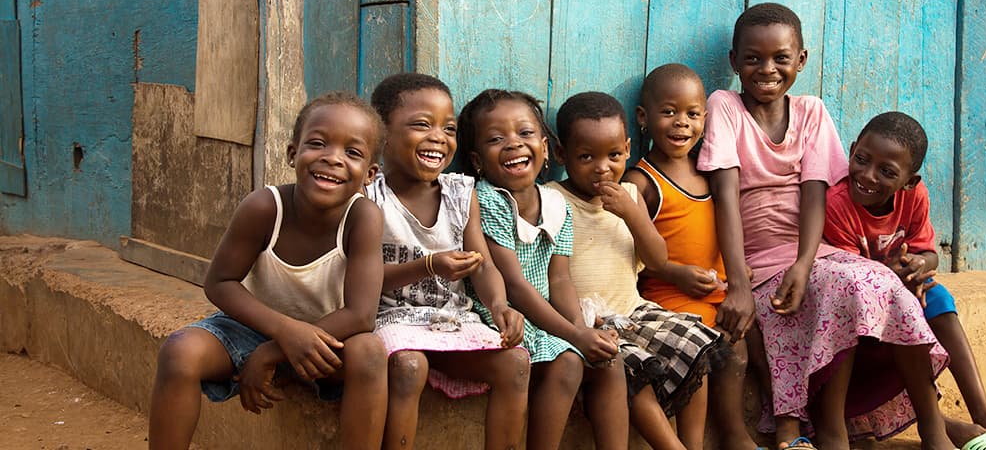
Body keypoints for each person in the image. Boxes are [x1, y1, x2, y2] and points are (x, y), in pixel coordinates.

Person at [701, 3, 953, 450]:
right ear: (733, 61)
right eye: (753, 58)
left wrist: (803, 263)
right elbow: (725, 196)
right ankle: (831, 427)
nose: (767, 69)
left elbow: (814, 193)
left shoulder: (812, 111)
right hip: (758, 263)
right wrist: (738, 283)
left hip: (817, 253)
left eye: (781, 57)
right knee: (850, 283)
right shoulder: (724, 106)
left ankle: (933, 428)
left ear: (801, 60)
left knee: (878, 281)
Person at [149, 92, 389, 450]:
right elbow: (219, 283)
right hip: (252, 328)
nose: (332, 158)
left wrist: (273, 352)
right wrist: (281, 333)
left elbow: (361, 315)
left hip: (328, 339)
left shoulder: (363, 217)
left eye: (352, 153)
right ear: (293, 153)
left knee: (369, 352)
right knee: (180, 351)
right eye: (318, 143)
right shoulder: (264, 207)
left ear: (370, 173)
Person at [823, 111, 986, 449]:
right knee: (908, 306)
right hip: (861, 309)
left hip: (898, 291)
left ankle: (984, 413)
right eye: (862, 159)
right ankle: (936, 428)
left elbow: (928, 254)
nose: (868, 176)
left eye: (887, 172)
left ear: (909, 181)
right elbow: (850, 275)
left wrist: (919, 266)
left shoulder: (914, 198)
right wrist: (894, 277)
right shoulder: (837, 204)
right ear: (853, 148)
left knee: (939, 297)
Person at [547, 91, 730, 450]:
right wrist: (580, 324)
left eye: (614, 155)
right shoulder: (553, 199)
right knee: (636, 373)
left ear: (628, 148)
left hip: (633, 309)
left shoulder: (631, 193)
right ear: (560, 154)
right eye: (586, 157)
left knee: (695, 345)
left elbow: (657, 258)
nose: (603, 168)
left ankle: (693, 443)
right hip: (587, 319)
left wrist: (632, 213)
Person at [364, 73, 530, 450]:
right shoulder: (369, 196)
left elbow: (482, 265)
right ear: (382, 133)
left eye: (449, 127)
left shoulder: (459, 193)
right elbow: (361, 279)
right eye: (422, 124)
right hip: (390, 318)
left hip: (452, 320)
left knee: (516, 363)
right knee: (410, 367)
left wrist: (500, 305)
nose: (439, 136)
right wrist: (429, 266)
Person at [456, 89, 628, 450]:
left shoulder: (554, 204)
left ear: (546, 148)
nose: (513, 144)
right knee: (569, 362)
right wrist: (575, 336)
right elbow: (514, 286)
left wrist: (582, 331)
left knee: (608, 361)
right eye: (495, 138)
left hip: (547, 316)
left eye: (525, 133)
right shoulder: (487, 200)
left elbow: (559, 278)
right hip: (503, 315)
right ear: (476, 159)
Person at [624, 63, 769, 450]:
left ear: (705, 118)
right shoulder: (640, 183)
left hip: (716, 289)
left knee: (756, 337)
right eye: (668, 112)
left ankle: (778, 425)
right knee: (715, 346)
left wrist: (736, 273)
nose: (681, 124)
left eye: (692, 114)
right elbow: (629, 255)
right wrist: (676, 274)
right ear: (643, 117)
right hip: (671, 296)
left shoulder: (709, 172)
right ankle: (725, 436)